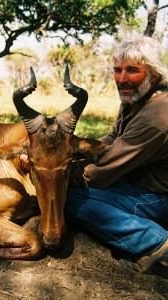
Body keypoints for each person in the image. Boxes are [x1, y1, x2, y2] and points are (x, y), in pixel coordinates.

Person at [65, 36, 168, 275]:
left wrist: (59, 173)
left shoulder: (156, 117)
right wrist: (71, 151)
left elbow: (103, 171)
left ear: (153, 75)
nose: (122, 79)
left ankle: (155, 242)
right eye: (118, 70)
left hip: (158, 197)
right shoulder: (138, 100)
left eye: (132, 70)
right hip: (141, 185)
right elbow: (112, 140)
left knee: (70, 198)